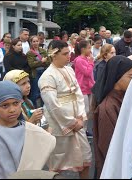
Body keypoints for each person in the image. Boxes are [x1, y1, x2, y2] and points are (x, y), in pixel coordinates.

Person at [38, 40, 92, 178]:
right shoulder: (47, 77)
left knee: (86, 160)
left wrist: (80, 117)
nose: (69, 56)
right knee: (57, 164)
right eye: (65, 54)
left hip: (78, 124)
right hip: (61, 126)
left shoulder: (69, 69)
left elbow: (78, 93)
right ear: (54, 55)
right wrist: (71, 123)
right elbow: (52, 105)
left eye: (69, 53)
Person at [0, 80, 56, 179]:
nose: (12, 110)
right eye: (5, 105)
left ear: (21, 102)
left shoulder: (30, 130)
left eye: (15, 103)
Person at [91, 55, 132, 178]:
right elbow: (108, 147)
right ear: (117, 76)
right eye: (131, 76)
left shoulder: (123, 98)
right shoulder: (107, 108)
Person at [74, 39, 95, 121]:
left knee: (89, 109)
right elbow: (87, 73)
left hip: (89, 86)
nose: (90, 50)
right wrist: (91, 62)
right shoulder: (79, 60)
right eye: (89, 48)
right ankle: (83, 128)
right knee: (84, 110)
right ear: (83, 49)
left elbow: (91, 75)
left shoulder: (87, 59)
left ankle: (85, 129)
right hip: (82, 87)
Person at [26, 35, 50, 108]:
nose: (35, 43)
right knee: (35, 92)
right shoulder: (29, 53)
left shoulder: (43, 51)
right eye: (34, 41)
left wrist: (41, 62)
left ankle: (44, 108)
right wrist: (42, 62)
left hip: (44, 72)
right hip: (35, 73)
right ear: (31, 43)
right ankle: (34, 108)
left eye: (37, 41)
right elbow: (31, 64)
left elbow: (48, 61)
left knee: (44, 91)